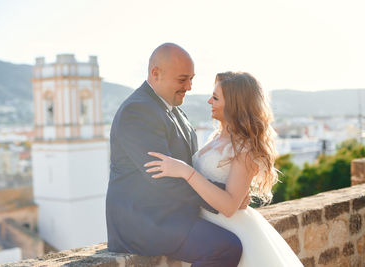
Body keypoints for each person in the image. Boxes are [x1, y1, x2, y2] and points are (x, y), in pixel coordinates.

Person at [106, 43, 245, 266]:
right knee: (226, 247)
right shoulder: (137, 111)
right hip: (146, 223)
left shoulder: (175, 110)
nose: (189, 86)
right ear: (155, 74)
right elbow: (164, 178)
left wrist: (228, 197)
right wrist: (224, 198)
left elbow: (189, 167)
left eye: (192, 79)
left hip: (174, 216)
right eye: (182, 80)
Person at [145, 72, 304, 266]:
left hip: (229, 231)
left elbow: (229, 206)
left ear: (234, 104)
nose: (209, 101)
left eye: (216, 97)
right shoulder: (216, 137)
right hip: (203, 228)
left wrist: (186, 171)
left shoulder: (245, 149)